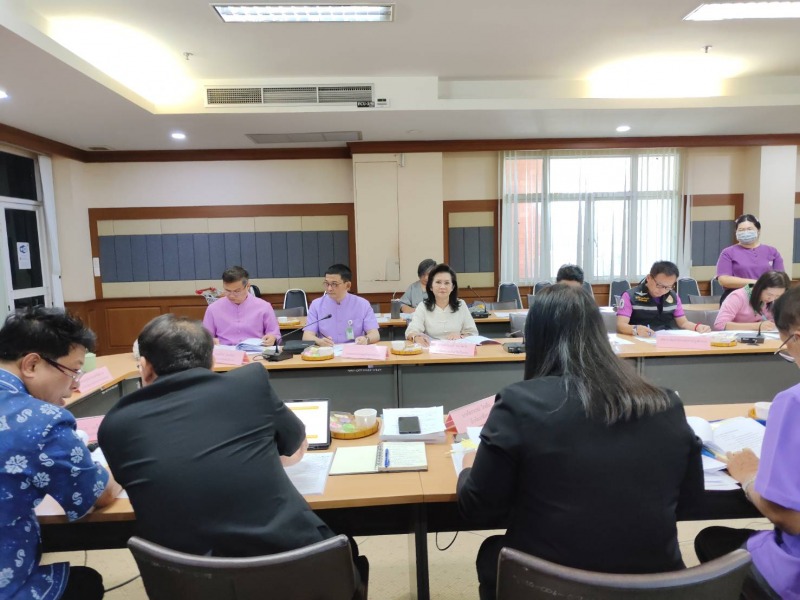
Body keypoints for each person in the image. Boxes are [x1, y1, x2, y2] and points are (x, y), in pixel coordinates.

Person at [456, 285, 703, 600]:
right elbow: (692, 503)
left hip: (550, 586)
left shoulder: (519, 403)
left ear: (535, 338)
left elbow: (478, 508)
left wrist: (466, 469)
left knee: (493, 551)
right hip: (651, 586)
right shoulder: (664, 402)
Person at [98, 315, 368, 588]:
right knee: (346, 549)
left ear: (144, 368)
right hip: (292, 573)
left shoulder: (116, 424)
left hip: (187, 585)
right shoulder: (248, 385)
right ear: (212, 361)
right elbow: (294, 441)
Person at [0, 307, 120, 600]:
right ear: (31, 364)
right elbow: (98, 495)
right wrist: (116, 463)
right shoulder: (40, 420)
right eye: (73, 371)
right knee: (85, 582)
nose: (75, 384)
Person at [694, 285, 800, 599]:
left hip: (792, 576)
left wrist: (749, 477)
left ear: (795, 337)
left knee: (710, 540)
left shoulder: (793, 403)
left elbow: (790, 519)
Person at [616, 260, 711, 336]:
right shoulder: (630, 296)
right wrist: (635, 329)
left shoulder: (673, 296)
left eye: (668, 287)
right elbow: (621, 325)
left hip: (665, 341)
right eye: (659, 285)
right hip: (639, 339)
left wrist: (697, 327)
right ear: (649, 278)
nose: (663, 291)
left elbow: (683, 323)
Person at [303, 264, 380, 345]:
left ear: (348, 285)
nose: (329, 288)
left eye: (334, 284)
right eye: (327, 284)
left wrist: (366, 339)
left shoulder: (362, 304)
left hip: (354, 351)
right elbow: (307, 335)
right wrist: (319, 341)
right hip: (327, 351)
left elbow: (375, 334)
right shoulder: (316, 305)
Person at [202, 266, 280, 346]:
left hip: (256, 354)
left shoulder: (264, 306)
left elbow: (275, 335)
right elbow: (205, 338)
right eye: (227, 291)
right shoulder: (213, 309)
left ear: (247, 286)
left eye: (237, 291)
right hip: (225, 354)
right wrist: (210, 340)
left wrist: (272, 338)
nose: (231, 295)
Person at [716, 214, 785, 302]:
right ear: (736, 232)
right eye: (741, 230)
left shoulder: (772, 251)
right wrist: (756, 283)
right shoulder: (728, 252)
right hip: (736, 299)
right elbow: (724, 280)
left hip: (767, 299)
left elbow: (780, 279)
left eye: (749, 229)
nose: (745, 232)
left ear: (758, 230)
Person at [404, 263, 479, 345]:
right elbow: (411, 331)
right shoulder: (423, 306)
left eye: (447, 283)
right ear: (431, 287)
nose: (442, 287)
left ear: (452, 287)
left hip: (457, 351)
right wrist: (416, 337)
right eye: (438, 282)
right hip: (431, 352)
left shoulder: (461, 305)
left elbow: (473, 333)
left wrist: (461, 336)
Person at [713, 270, 790, 331]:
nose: (772, 299)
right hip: (733, 341)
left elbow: (772, 320)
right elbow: (720, 324)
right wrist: (757, 326)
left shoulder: (770, 301)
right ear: (759, 287)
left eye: (777, 296)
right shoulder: (737, 297)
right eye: (769, 294)